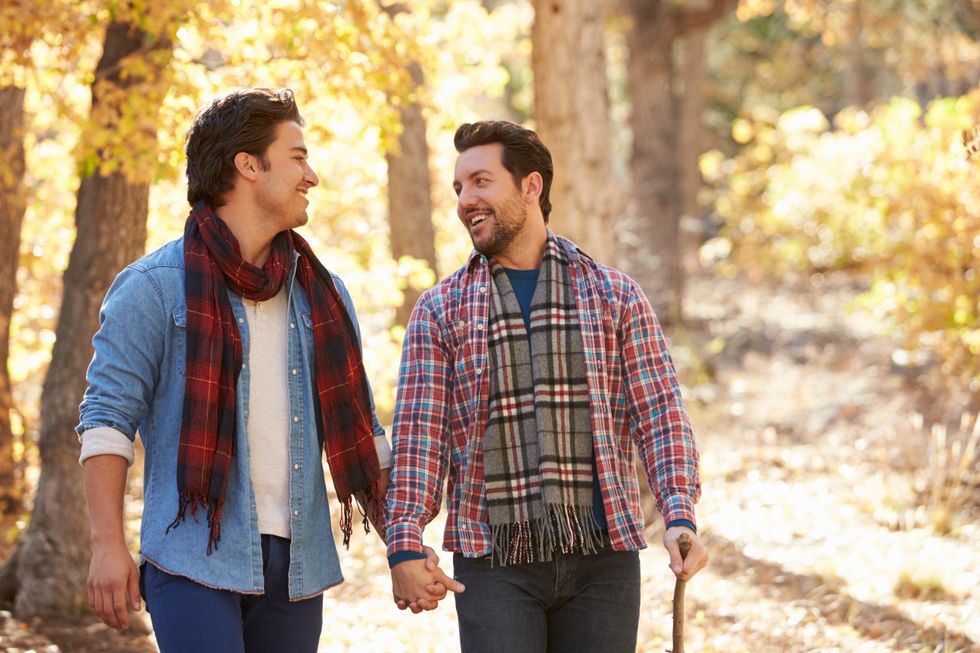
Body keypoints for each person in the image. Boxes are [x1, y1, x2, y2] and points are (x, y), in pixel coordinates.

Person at [77, 87, 458, 653]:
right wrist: (106, 545)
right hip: (192, 558)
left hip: (298, 567)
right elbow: (106, 422)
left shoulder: (324, 296)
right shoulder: (154, 287)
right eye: (298, 157)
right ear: (248, 165)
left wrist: (401, 544)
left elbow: (360, 438)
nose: (313, 176)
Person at [385, 120, 708, 652]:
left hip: (604, 558)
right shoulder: (440, 310)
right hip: (492, 562)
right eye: (459, 188)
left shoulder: (613, 294)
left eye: (481, 181)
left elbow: (660, 414)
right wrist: (404, 541)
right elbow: (422, 440)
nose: (466, 200)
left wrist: (679, 513)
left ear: (531, 187)